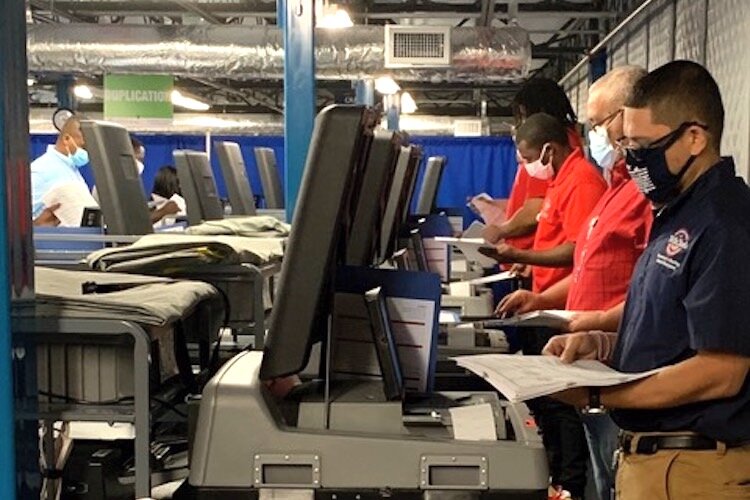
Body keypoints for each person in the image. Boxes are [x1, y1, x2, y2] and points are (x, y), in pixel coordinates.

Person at [543, 60, 750, 500]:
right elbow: (668, 330)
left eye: (643, 146)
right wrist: (602, 347)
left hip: (694, 471)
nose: (632, 159)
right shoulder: (676, 213)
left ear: (695, 137)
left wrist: (599, 396)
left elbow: (722, 371)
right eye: (626, 145)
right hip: (656, 464)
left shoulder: (724, 226)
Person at [497, 66, 652, 500]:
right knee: (599, 466)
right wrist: (541, 296)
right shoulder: (615, 188)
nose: (593, 135)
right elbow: (587, 264)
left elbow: (649, 287)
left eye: (601, 125)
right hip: (585, 340)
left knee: (607, 471)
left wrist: (599, 325)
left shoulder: (611, 186)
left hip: (611, 356)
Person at [482, 112, 607, 500]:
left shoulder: (583, 181)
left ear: (548, 150)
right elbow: (554, 235)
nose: (525, 166)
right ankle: (555, 474)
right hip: (545, 301)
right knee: (548, 402)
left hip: (564, 308)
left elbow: (577, 251)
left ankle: (569, 485)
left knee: (563, 401)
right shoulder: (559, 179)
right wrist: (527, 258)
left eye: (526, 157)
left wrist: (526, 256)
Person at [476, 79, 582, 255]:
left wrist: (502, 230)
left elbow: (539, 206)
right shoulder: (567, 142)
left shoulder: (548, 151)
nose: (522, 123)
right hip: (534, 257)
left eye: (525, 115)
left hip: (536, 254)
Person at [30, 115, 90, 220]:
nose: (86, 153)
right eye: (83, 147)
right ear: (66, 139)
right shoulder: (41, 170)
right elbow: (16, 221)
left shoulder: (72, 169)